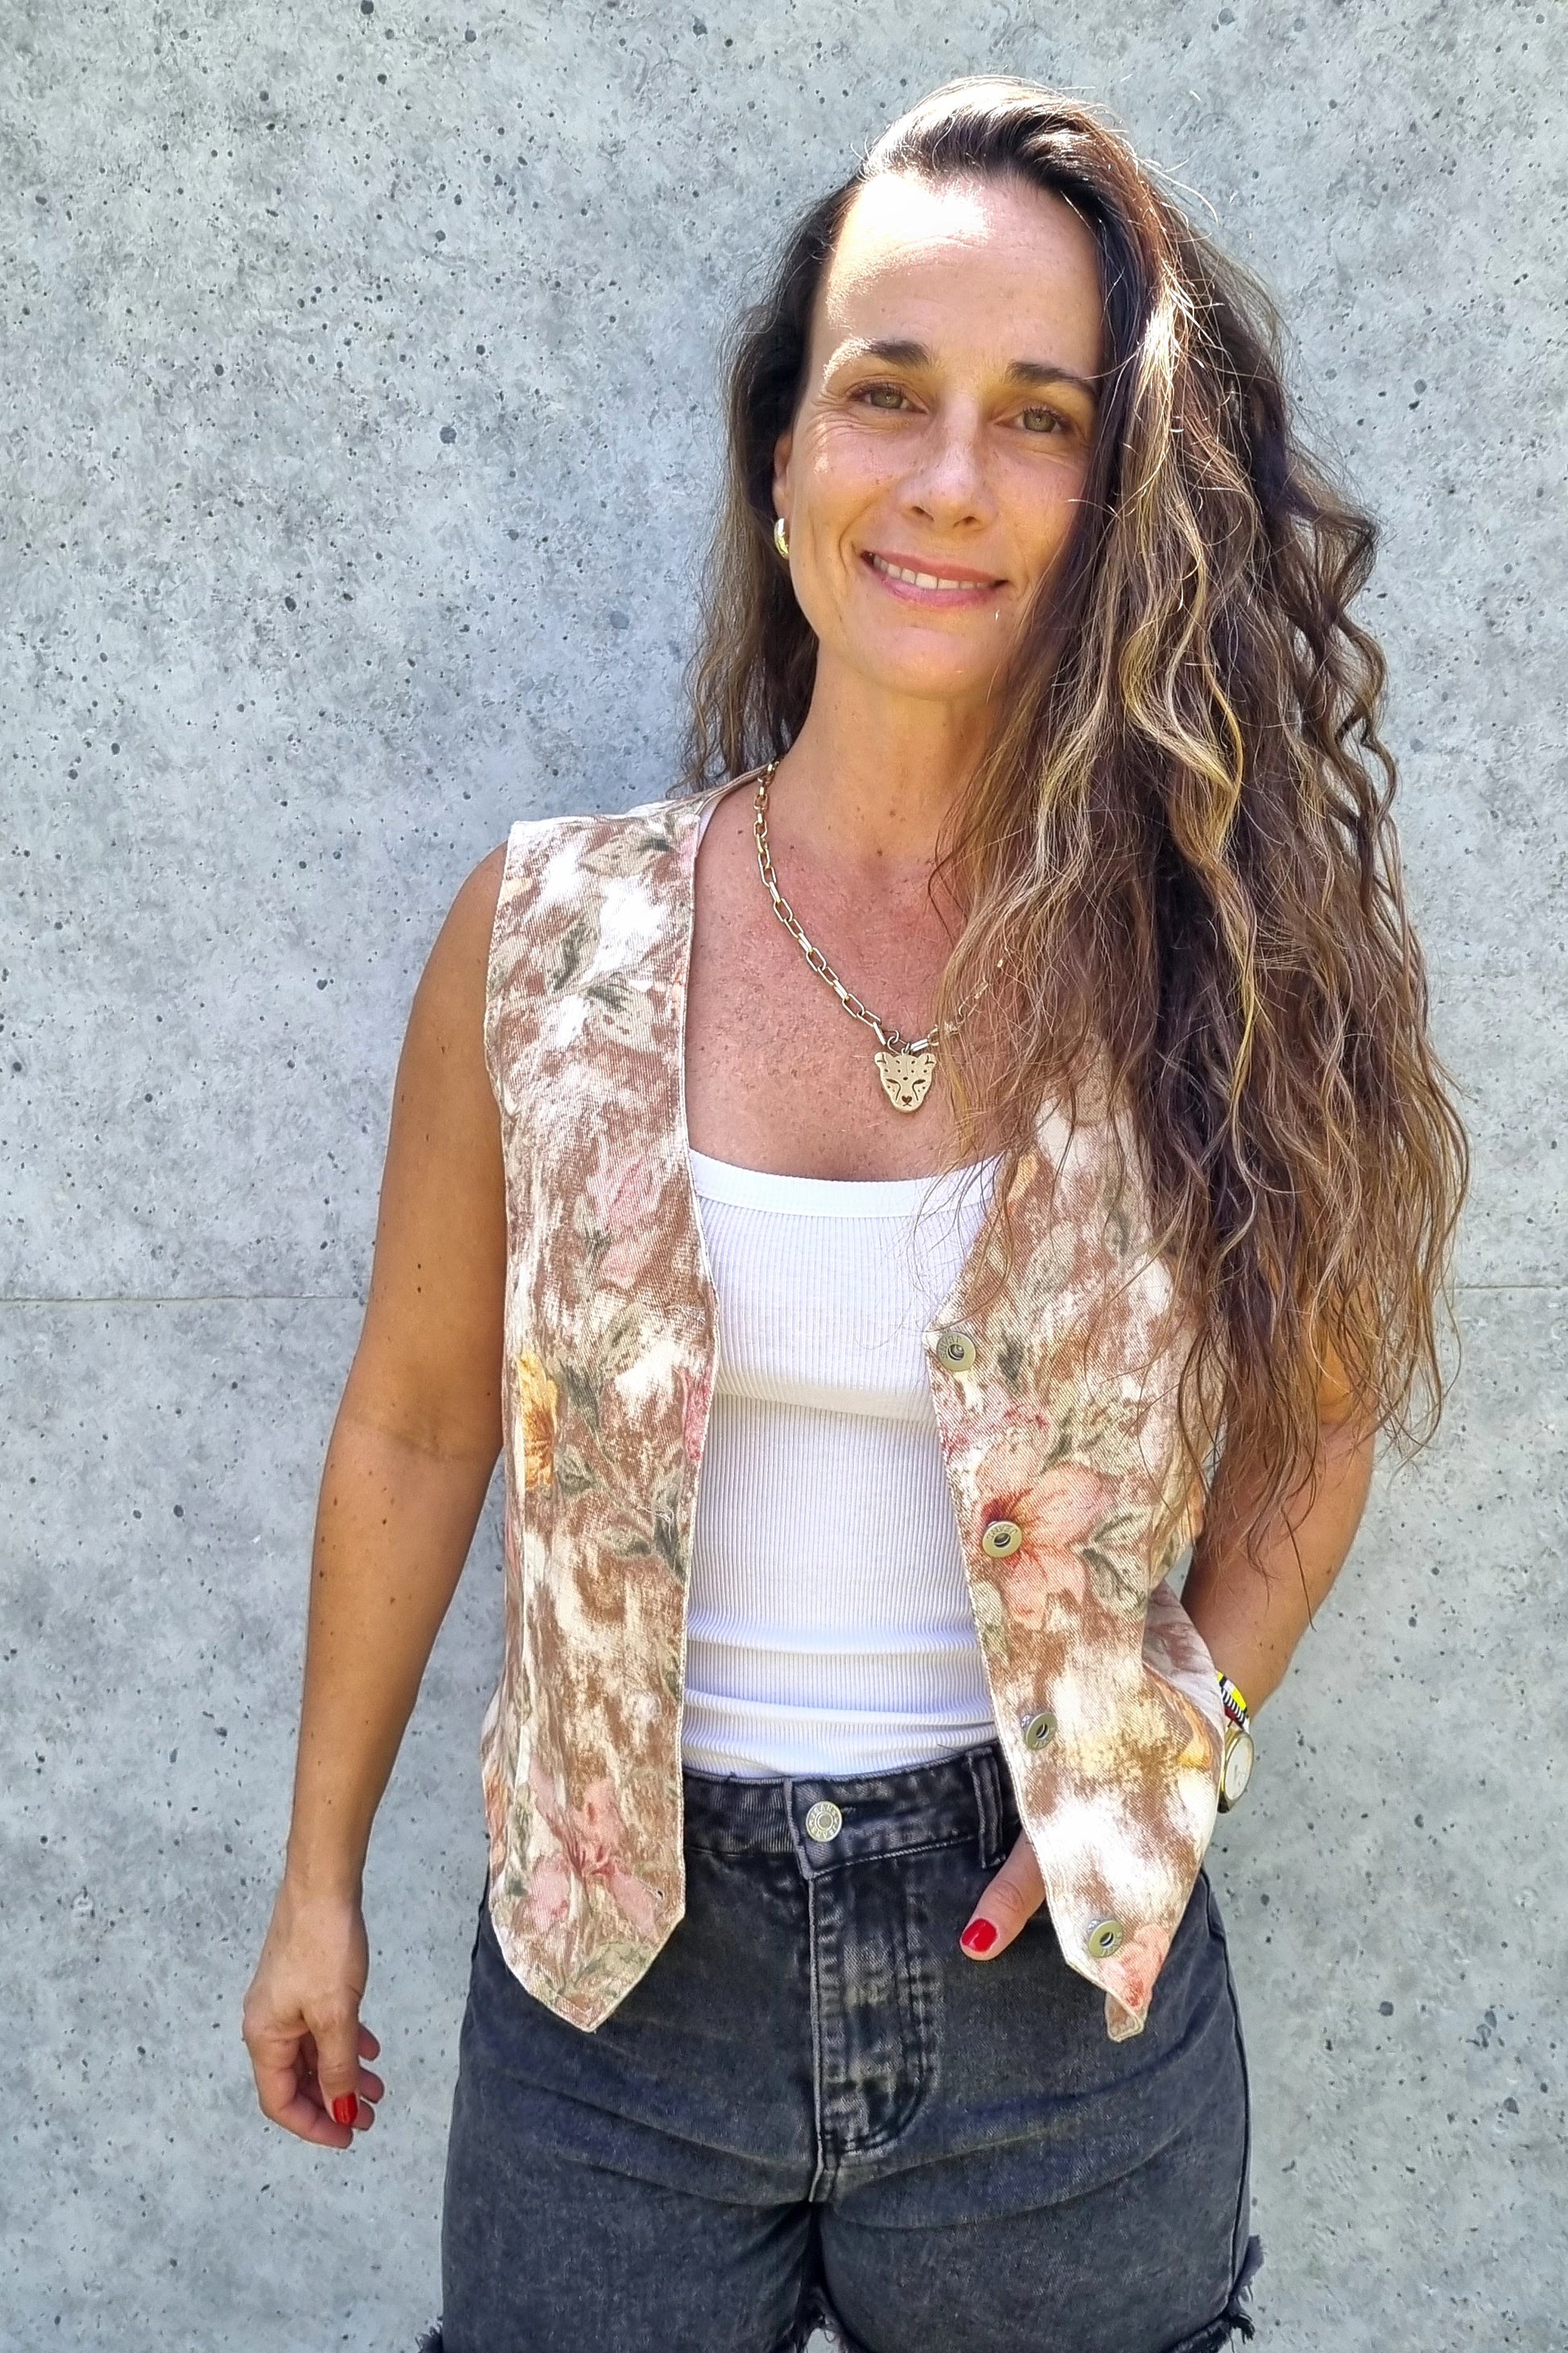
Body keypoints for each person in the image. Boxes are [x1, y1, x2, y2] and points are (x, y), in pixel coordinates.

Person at [243, 76, 1467, 2353]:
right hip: (609, 1981)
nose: (948, 479)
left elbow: (1316, 1427)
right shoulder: (545, 938)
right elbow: (414, 1424)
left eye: (1038, 419)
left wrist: (1166, 1758)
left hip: (1054, 1994)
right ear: (781, 454)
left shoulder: (1215, 959)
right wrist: (318, 1880)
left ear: (1114, 499)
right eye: (885, 392)